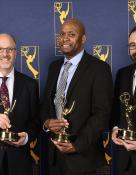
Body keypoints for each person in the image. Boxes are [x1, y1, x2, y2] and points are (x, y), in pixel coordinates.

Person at [41, 18, 113, 175]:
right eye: (62, 34)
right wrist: (47, 122)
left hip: (82, 158)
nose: (65, 38)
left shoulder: (99, 69)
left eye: (71, 34)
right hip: (54, 156)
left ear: (83, 39)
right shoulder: (54, 67)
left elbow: (102, 114)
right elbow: (46, 105)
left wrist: (77, 145)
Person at [112, 25, 136, 175]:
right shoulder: (123, 74)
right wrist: (115, 128)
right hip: (125, 162)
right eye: (132, 45)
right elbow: (116, 108)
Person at [0, 33, 40, 175]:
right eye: (0, 49)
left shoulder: (30, 85)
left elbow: (36, 121)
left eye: (9, 49)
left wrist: (26, 138)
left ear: (15, 53)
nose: (5, 54)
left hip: (19, 163)